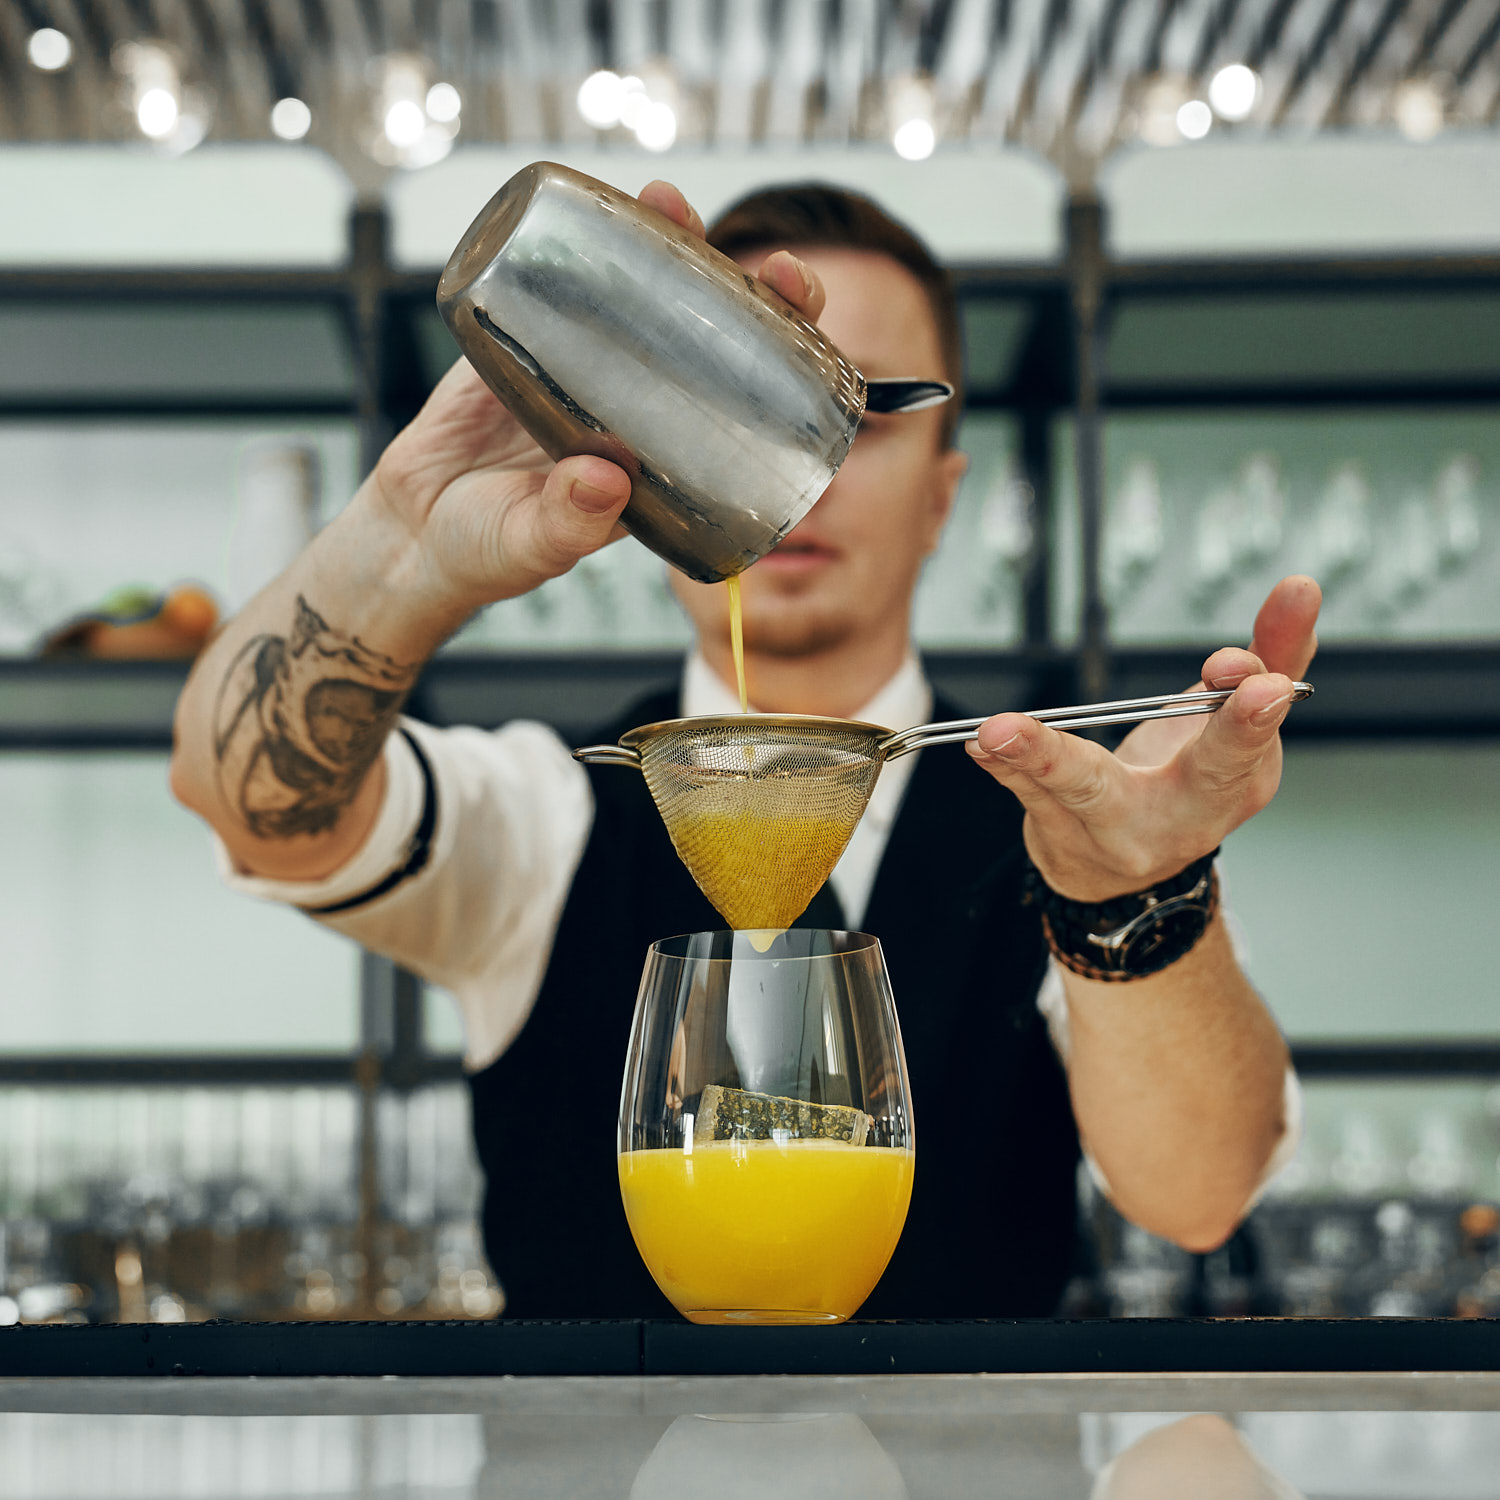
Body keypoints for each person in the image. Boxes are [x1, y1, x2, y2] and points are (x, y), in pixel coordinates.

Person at [170, 177, 1321, 1319]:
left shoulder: (1078, 819)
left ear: (942, 498)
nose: (798, 476)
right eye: (724, 400)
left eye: (855, 416)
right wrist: (404, 542)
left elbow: (1198, 1195)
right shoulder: (547, 815)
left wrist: (1133, 902)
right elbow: (241, 799)